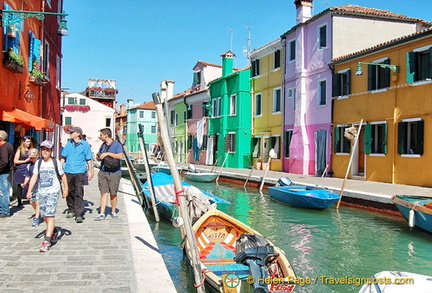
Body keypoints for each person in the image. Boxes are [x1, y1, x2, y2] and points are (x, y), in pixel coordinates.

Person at [26, 140, 68, 252]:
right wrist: (29, 190)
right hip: (42, 191)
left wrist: (66, 189)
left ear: (51, 151)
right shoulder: (38, 163)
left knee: (50, 214)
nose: (44, 151)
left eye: (47, 149)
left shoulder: (56, 162)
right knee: (44, 214)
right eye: (43, 149)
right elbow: (34, 177)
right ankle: (53, 230)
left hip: (53, 191)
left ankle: (47, 240)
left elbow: (63, 176)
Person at [61, 126, 94, 223]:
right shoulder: (68, 144)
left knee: (79, 191)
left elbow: (89, 159)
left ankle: (78, 213)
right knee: (69, 191)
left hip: (80, 171)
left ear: (78, 133)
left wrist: (90, 171)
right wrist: (59, 168)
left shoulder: (85, 145)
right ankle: (71, 209)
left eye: (72, 132)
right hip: (68, 170)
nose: (70, 134)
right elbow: (63, 157)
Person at [95, 128, 123, 221]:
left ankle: (113, 211)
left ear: (106, 135)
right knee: (103, 193)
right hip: (103, 171)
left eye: (101, 135)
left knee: (113, 193)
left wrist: (108, 154)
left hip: (114, 173)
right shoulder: (103, 145)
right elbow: (99, 156)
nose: (100, 137)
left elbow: (120, 156)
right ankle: (102, 213)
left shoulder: (117, 145)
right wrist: (99, 157)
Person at [13, 136, 36, 206]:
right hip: (20, 168)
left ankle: (29, 197)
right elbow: (15, 161)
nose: (28, 143)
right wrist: (25, 161)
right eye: (27, 141)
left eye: (29, 141)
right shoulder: (20, 150)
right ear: (23, 142)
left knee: (29, 184)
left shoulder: (31, 150)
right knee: (20, 185)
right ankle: (19, 200)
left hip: (29, 168)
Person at [22, 148, 41, 226]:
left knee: (37, 201)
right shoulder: (29, 166)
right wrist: (24, 183)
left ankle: (37, 217)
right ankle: (38, 212)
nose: (31, 155)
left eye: (33, 154)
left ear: (37, 155)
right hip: (32, 185)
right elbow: (27, 176)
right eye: (30, 153)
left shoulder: (40, 163)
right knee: (31, 201)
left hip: (40, 185)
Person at [0, 130, 14, 217]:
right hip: (6, 172)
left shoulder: (4, 147)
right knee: (4, 191)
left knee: (3, 191)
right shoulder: (9, 145)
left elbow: (4, 161)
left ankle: (5, 211)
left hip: (3, 172)